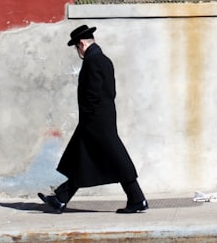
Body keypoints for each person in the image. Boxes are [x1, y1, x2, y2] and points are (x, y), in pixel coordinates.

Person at [38, 24, 149, 214]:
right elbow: (111, 92)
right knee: (84, 158)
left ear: (81, 44)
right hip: (102, 118)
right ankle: (60, 198)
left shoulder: (92, 61)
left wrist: (88, 118)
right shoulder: (103, 59)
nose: (77, 51)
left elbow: (92, 94)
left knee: (113, 157)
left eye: (76, 47)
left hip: (94, 121)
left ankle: (137, 199)